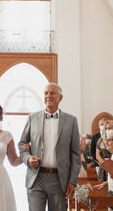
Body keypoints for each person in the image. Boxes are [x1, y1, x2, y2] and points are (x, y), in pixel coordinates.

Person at [18, 83, 81, 211]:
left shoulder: (71, 121)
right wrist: (28, 159)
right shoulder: (32, 118)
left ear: (60, 98)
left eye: (52, 93)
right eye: (46, 93)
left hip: (60, 179)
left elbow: (75, 154)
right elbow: (22, 144)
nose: (48, 96)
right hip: (36, 177)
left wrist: (72, 181)